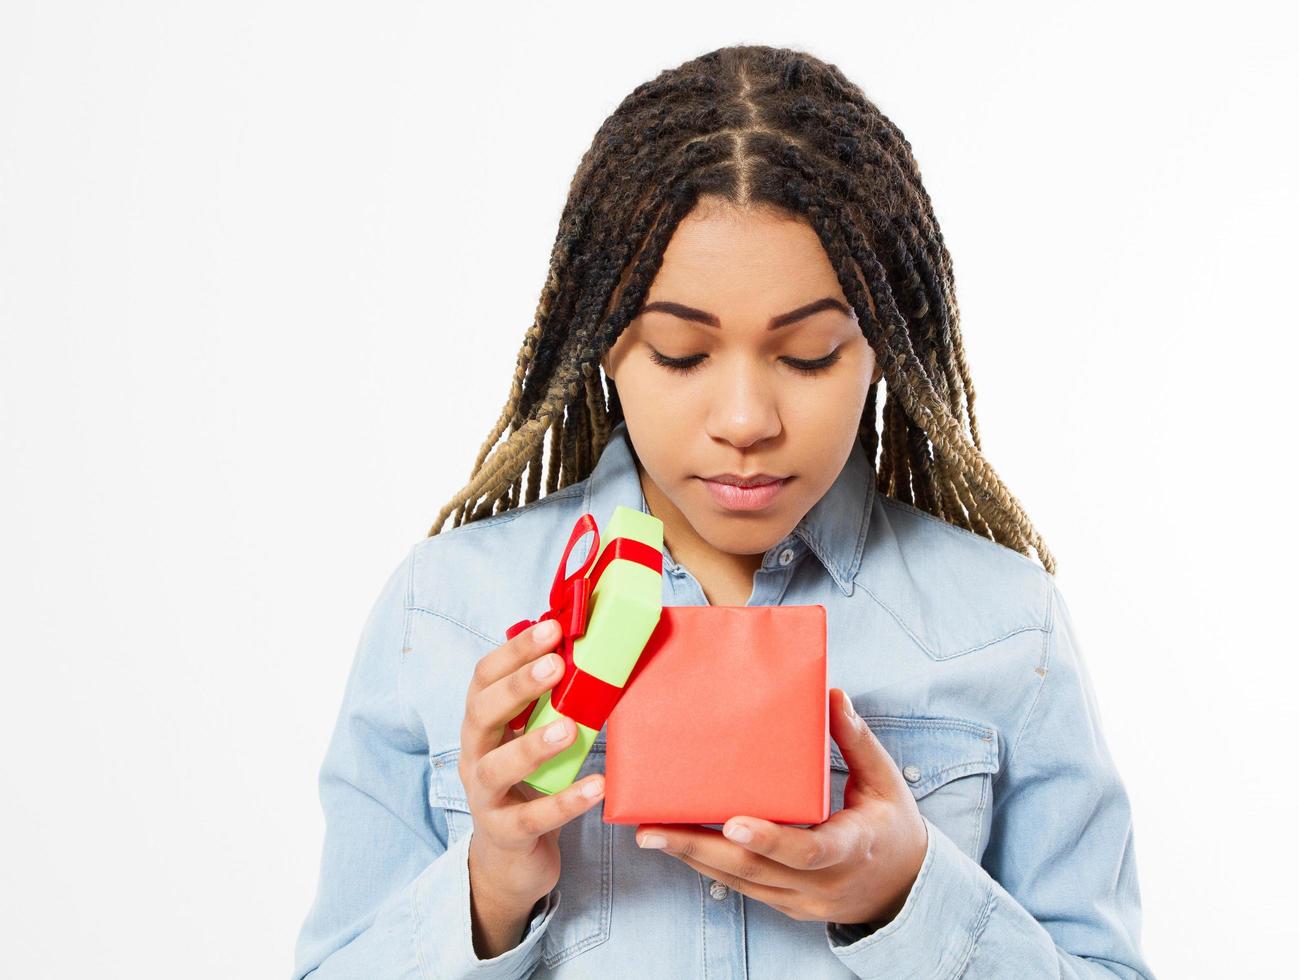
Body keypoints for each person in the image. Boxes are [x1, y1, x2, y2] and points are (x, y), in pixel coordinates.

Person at [291, 44, 1153, 979]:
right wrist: (490, 892)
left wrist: (907, 898)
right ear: (603, 345)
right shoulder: (442, 614)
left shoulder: (1008, 627)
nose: (745, 422)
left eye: (813, 354)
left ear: (882, 353)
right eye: (678, 353)